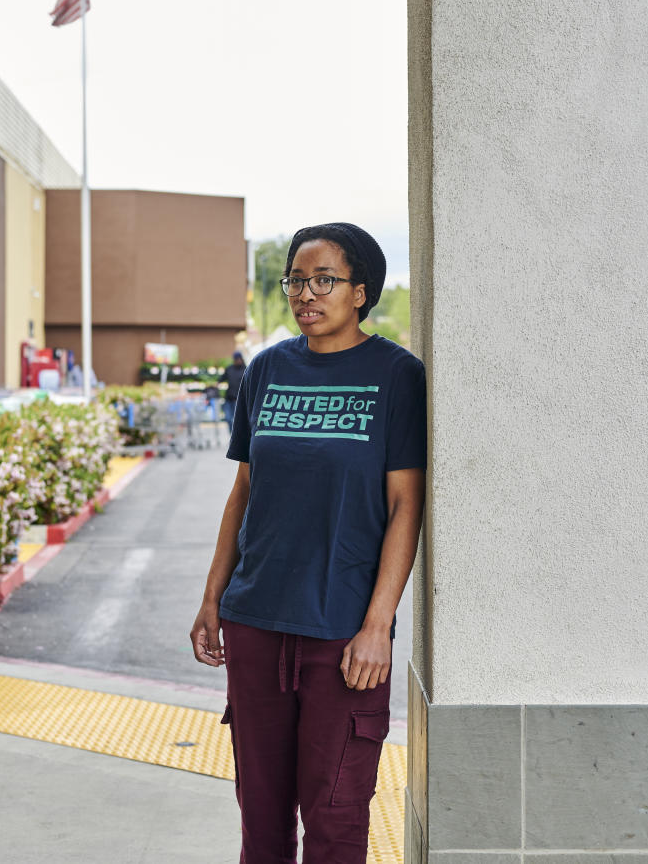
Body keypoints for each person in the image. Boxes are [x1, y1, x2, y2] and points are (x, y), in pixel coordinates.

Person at [190, 223, 426, 863]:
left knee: (336, 822)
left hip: (342, 637)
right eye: (296, 279)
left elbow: (407, 504)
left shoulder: (395, 376)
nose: (305, 293)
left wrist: (379, 624)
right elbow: (243, 492)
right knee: (261, 827)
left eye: (325, 279)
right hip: (256, 622)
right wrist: (214, 597)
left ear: (361, 292)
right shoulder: (267, 369)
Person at [221, 351, 247, 434]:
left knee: (237, 420)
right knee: (228, 418)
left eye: (239, 359)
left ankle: (237, 436)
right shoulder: (229, 369)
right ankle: (232, 435)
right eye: (236, 359)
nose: (238, 361)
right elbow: (221, 379)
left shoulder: (246, 369)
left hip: (239, 400)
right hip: (229, 399)